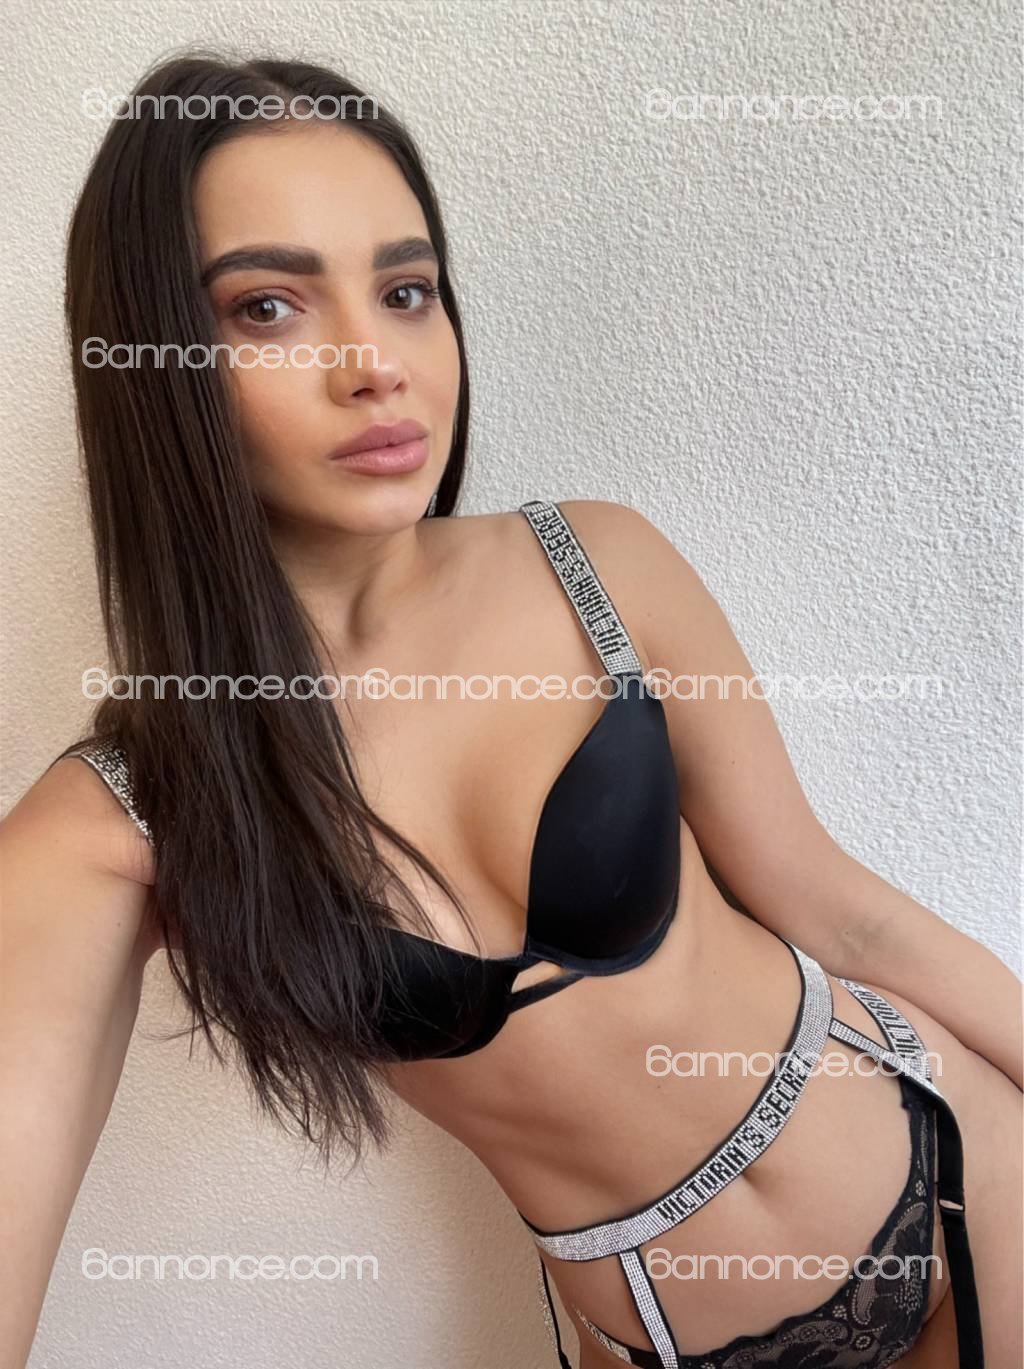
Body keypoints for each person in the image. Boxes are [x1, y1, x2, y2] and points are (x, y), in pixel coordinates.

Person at [2, 53, 1021, 1369]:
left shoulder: (594, 567)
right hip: (658, 1332)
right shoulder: (125, 817)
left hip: (960, 1170)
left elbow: (839, 909)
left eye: (406, 290)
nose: (376, 365)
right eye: (269, 307)